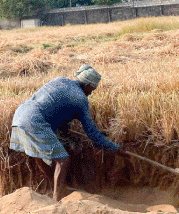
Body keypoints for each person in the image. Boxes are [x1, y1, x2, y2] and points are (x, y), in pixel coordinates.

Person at [10, 64, 120, 200]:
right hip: (34, 121)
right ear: (87, 85)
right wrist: (113, 147)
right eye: (93, 88)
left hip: (20, 115)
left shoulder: (60, 80)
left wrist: (68, 132)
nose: (92, 92)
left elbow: (56, 109)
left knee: (39, 154)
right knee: (63, 160)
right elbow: (92, 134)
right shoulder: (81, 99)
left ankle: (55, 187)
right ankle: (57, 197)